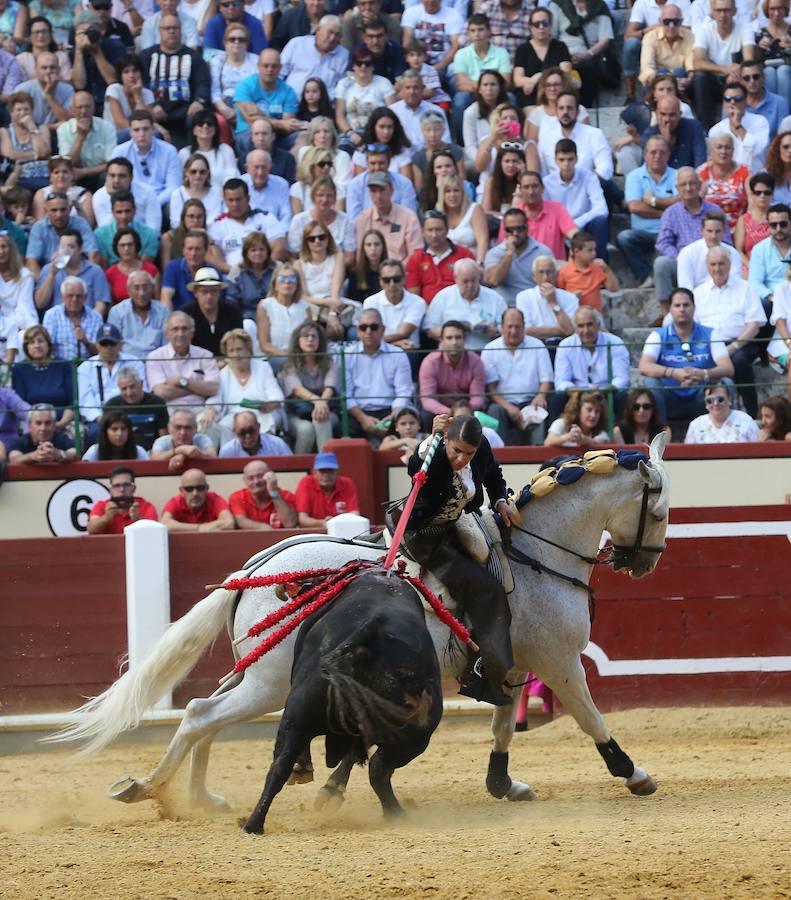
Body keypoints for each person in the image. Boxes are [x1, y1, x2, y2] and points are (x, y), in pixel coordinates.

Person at [400, 412, 517, 705]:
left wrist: (500, 501)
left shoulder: (481, 448)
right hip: (424, 537)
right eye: (457, 451)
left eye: (469, 454)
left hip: (454, 526)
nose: (462, 459)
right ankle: (479, 675)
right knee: (487, 590)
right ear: (446, 441)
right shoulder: (434, 452)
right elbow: (416, 468)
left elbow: (493, 476)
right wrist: (431, 438)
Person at [639, 287, 735, 422]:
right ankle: (660, 430)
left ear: (694, 308)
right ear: (670, 309)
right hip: (669, 398)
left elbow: (728, 368)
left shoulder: (710, 334)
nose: (682, 309)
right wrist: (673, 373)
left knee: (726, 383)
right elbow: (644, 366)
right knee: (650, 382)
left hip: (703, 397)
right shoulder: (658, 335)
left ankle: (725, 431)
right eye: (677, 305)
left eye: (686, 305)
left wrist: (703, 374)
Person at [693, 246, 767, 416]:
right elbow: (694, 326)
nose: (717, 268)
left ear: (729, 264)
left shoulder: (746, 288)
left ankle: (751, 415)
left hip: (741, 343)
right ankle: (702, 418)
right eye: (713, 264)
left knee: (740, 361)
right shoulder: (698, 293)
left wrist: (733, 347)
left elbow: (754, 325)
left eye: (721, 263)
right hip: (709, 346)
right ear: (707, 266)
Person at [654, 168, 731, 314]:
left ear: (700, 185)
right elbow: (663, 243)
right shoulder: (671, 213)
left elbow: (726, 241)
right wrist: (680, 258)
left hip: (713, 261)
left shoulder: (714, 210)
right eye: (683, 184)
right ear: (677, 188)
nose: (688, 188)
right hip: (680, 262)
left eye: (692, 183)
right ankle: (667, 314)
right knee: (661, 264)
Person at [481, 307, 553, 445]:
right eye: (509, 327)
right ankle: (499, 453)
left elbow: (546, 380)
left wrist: (541, 396)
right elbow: (491, 389)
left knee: (540, 407)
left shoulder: (537, 345)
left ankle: (538, 451)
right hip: (503, 403)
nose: (513, 331)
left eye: (517, 326)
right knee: (494, 410)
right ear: (501, 327)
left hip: (531, 400)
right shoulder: (490, 349)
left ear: (524, 327)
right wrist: (509, 407)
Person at [138, 16, 211, 150]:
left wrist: (198, 101)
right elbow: (140, 84)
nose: (171, 31)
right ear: (160, 31)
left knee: (199, 118)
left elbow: (203, 83)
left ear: (181, 30)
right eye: (167, 28)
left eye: (175, 28)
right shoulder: (146, 56)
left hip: (185, 114)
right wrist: (152, 105)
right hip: (155, 114)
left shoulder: (194, 56)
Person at [343, 308, 413, 440]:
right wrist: (362, 418)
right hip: (357, 412)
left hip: (391, 410)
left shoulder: (398, 354)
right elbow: (346, 394)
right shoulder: (346, 355)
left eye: (374, 327)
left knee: (406, 424)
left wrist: (394, 416)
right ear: (358, 331)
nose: (368, 331)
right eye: (363, 327)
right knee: (343, 428)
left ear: (383, 329)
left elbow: (404, 391)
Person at [618, 136, 679, 288]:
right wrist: (665, 212)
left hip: (670, 233)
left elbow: (682, 203)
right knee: (624, 237)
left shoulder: (677, 175)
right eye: (653, 152)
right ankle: (645, 277)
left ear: (668, 155)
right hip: (642, 233)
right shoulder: (635, 176)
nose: (657, 156)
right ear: (645, 154)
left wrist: (652, 201)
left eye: (662, 152)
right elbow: (635, 207)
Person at [203, 327, 284, 437]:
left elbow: (275, 392)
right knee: (222, 426)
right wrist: (210, 408)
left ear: (248, 350)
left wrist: (271, 404)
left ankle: (263, 447)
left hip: (261, 414)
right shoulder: (223, 374)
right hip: (234, 416)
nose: (236, 354)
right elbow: (216, 397)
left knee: (268, 419)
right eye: (231, 351)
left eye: (239, 349)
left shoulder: (263, 367)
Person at [552, 305, 630, 418]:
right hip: (576, 394)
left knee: (622, 397)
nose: (586, 330)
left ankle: (620, 430)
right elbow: (561, 382)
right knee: (556, 399)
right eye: (581, 326)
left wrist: (603, 390)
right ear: (575, 328)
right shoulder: (565, 345)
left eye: (590, 324)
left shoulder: (614, 342)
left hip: (606, 392)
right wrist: (578, 391)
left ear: (598, 325)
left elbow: (622, 379)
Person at [690, 0, 755, 131]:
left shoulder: (745, 28)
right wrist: (726, 70)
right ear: (712, 12)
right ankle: (705, 127)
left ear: (734, 12)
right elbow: (697, 62)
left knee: (749, 74)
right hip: (713, 80)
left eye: (726, 10)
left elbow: (749, 60)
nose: (722, 15)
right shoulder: (704, 30)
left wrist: (736, 74)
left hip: (736, 78)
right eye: (719, 10)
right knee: (699, 76)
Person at [77, 322, 145, 438]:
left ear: (120, 344)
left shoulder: (135, 363)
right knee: (94, 433)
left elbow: (142, 391)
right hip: (99, 419)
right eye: (104, 344)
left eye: (112, 343)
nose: (108, 347)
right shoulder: (85, 367)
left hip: (130, 415)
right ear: (97, 345)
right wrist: (100, 418)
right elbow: (85, 400)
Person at [279, 320, 339, 452]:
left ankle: (325, 462)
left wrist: (322, 404)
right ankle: (300, 465)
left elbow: (330, 387)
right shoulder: (289, 364)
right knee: (306, 430)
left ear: (320, 341)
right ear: (298, 340)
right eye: (305, 336)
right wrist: (317, 401)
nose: (310, 339)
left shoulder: (329, 362)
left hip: (327, 410)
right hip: (297, 414)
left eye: (314, 336)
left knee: (321, 419)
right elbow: (296, 389)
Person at [451, 15, 512, 142]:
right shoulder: (461, 54)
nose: (476, 34)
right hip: (472, 94)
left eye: (480, 30)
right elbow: (461, 84)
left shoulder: (501, 53)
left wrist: (478, 84)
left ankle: (511, 137)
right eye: (472, 31)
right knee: (460, 99)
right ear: (468, 33)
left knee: (511, 98)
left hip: (496, 93)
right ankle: (462, 142)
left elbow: (505, 83)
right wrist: (489, 84)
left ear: (489, 31)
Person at [425, 258, 507, 351]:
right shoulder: (443, 296)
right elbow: (430, 330)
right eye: (465, 281)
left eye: (473, 280)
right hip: (452, 353)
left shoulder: (495, 298)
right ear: (456, 278)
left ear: (479, 277)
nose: (470, 285)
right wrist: (451, 332)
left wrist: (495, 332)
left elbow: (507, 330)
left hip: (486, 352)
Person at [146, 311, 221, 411]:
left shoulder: (205, 355)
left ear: (192, 333)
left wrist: (181, 381)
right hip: (169, 412)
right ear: (167, 334)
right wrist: (199, 388)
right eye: (175, 329)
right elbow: (161, 393)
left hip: (199, 411)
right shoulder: (155, 357)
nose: (180, 334)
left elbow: (213, 388)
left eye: (184, 329)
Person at [209, 178, 288, 268]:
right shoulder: (217, 225)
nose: (235, 204)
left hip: (265, 272)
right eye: (230, 200)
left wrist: (262, 271)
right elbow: (215, 258)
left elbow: (279, 249)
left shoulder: (266, 218)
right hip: (230, 274)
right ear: (225, 201)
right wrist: (235, 273)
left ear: (248, 198)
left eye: (239, 199)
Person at [485, 207, 555, 308]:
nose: (515, 233)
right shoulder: (494, 253)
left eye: (519, 229)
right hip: (506, 307)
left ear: (527, 228)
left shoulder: (543, 252)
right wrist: (509, 254)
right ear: (504, 231)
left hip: (535, 305)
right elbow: (494, 280)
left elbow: (550, 283)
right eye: (510, 230)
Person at [24, 191, 99, 280]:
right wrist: (43, 283)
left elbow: (93, 254)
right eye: (54, 210)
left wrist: (90, 279)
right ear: (46, 210)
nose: (59, 215)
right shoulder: (39, 227)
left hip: (78, 275)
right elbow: (31, 261)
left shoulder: (80, 223)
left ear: (70, 209)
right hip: (49, 276)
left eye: (63, 210)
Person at [419, 320, 487, 417]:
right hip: (440, 411)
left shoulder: (476, 362)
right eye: (449, 338)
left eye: (458, 337)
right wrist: (450, 412)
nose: (454, 342)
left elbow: (478, 398)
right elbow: (427, 399)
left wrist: (464, 410)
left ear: (465, 339)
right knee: (425, 416)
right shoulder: (430, 362)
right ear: (441, 340)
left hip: (468, 411)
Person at [404, 210, 474, 304]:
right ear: (423, 232)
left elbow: (472, 287)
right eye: (430, 230)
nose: (434, 235)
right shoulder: (416, 258)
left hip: (460, 306)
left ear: (447, 230)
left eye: (438, 229)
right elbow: (413, 296)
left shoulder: (464, 254)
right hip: (427, 308)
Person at [115, 110, 182, 206]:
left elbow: (173, 187)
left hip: (161, 201)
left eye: (145, 129)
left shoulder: (170, 151)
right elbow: (116, 185)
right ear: (130, 132)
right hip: (130, 204)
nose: (141, 134)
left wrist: (153, 204)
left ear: (153, 129)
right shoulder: (119, 152)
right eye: (136, 130)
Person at [11, 325, 73, 430]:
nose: (37, 346)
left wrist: (60, 424)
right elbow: (19, 404)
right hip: (32, 425)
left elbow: (72, 403)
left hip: (63, 422)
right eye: (32, 342)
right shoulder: (19, 369)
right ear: (26, 347)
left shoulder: (64, 365)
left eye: (40, 341)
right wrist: (38, 427)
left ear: (48, 344)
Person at [509, 169, 579, 261]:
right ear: (520, 191)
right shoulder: (512, 216)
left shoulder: (557, 209)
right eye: (526, 187)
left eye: (535, 186)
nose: (531, 191)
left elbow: (574, 234)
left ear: (542, 188)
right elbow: (503, 247)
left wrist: (576, 248)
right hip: (522, 267)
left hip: (554, 267)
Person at [280, 15, 350, 101]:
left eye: (337, 35)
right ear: (318, 30)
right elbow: (279, 73)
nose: (332, 38)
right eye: (330, 32)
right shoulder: (297, 44)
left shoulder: (344, 55)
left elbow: (342, 87)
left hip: (324, 105)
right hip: (291, 101)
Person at [355, 172, 422, 260]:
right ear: (369, 193)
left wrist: (396, 268)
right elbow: (360, 255)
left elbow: (415, 254)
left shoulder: (409, 218)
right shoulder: (363, 219)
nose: (378, 196)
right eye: (373, 191)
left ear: (391, 190)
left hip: (402, 267)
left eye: (382, 190)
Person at [233, 48, 300, 137]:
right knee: (260, 133)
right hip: (249, 133)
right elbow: (252, 119)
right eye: (265, 66)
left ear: (280, 68)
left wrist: (261, 117)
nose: (270, 69)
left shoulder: (289, 92)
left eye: (274, 66)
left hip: (277, 136)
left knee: (301, 136)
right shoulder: (244, 86)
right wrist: (280, 123)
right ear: (258, 66)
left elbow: (288, 126)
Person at [512, 7, 570, 109]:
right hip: (530, 96)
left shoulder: (560, 47)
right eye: (536, 24)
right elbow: (517, 80)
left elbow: (564, 74)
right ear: (530, 27)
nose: (541, 27)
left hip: (555, 94)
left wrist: (536, 78)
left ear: (550, 25)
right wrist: (534, 81)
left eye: (545, 23)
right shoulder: (523, 49)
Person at [362, 257, 425, 351]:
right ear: (380, 281)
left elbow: (404, 334)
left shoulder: (417, 302)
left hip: (406, 350)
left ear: (404, 278)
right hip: (379, 349)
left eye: (396, 279)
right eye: (386, 280)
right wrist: (395, 344)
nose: (392, 284)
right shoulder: (370, 302)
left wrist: (380, 342)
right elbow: (368, 336)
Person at [515, 255, 577, 349]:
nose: (545, 277)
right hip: (535, 347)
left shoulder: (570, 297)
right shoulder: (524, 297)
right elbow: (526, 331)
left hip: (564, 346)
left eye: (549, 272)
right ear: (534, 276)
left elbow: (569, 330)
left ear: (556, 274)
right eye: (541, 272)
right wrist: (559, 331)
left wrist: (553, 302)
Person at [709, 81, 771, 173]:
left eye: (737, 99)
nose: (732, 102)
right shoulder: (715, 130)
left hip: (756, 175)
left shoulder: (760, 121)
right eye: (727, 99)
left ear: (746, 101)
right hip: (728, 178)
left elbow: (757, 151)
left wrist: (738, 126)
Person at [182, 266, 244, 357]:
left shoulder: (233, 313)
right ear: (195, 293)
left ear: (219, 292)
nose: (209, 296)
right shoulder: (186, 314)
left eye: (213, 291)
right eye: (204, 291)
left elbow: (238, 344)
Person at [103, 366, 169, 451]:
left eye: (132, 387)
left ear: (141, 384)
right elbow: (106, 437)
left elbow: (163, 437)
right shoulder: (112, 405)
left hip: (152, 452)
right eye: (124, 389)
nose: (129, 393)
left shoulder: (157, 402)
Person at [93, 157, 161, 235]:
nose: (116, 181)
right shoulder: (99, 196)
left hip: (144, 238)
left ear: (131, 177)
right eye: (112, 175)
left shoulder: (148, 193)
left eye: (122, 176)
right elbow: (105, 232)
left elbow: (154, 230)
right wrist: (114, 198)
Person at [0, 91, 51, 194]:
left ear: (32, 111)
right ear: (11, 113)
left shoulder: (42, 129)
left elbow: (44, 152)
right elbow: (10, 155)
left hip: (44, 175)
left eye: (26, 109)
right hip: (18, 177)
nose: (23, 113)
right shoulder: (4, 131)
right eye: (18, 110)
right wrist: (36, 156)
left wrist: (31, 127)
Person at [676, 210, 740, 292]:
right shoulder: (687, 253)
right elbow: (686, 288)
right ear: (702, 231)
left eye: (718, 231)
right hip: (697, 297)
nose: (713, 236)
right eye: (709, 231)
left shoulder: (733, 254)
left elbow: (736, 284)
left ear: (723, 232)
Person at [42, 276, 103, 360]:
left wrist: (86, 341)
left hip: (88, 364)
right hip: (59, 364)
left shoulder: (95, 317)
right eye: (70, 295)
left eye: (79, 296)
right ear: (62, 297)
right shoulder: (52, 315)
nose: (74, 299)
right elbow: (46, 348)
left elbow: (101, 352)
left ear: (85, 297)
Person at [637, 4, 694, 93]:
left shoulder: (689, 36)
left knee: (681, 72)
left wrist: (688, 80)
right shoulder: (650, 37)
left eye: (676, 22)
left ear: (681, 22)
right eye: (667, 22)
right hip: (657, 81)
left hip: (681, 80)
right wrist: (665, 81)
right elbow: (647, 68)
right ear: (660, 22)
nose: (671, 26)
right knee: (662, 72)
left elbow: (691, 67)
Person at [556, 229, 619, 311]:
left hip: (595, 314)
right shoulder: (564, 271)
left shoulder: (597, 267)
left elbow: (614, 289)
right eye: (590, 250)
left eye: (594, 249)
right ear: (576, 251)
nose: (594, 253)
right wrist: (571, 296)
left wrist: (607, 269)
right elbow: (560, 295)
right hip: (575, 313)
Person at [389, 69, 450, 152]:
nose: (412, 92)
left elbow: (445, 141)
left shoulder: (436, 111)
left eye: (415, 87)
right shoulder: (392, 112)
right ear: (401, 90)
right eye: (407, 88)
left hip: (430, 156)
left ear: (422, 89)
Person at [643, 95, 708, 172]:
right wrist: (665, 144)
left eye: (672, 115)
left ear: (680, 114)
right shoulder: (649, 134)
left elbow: (701, 162)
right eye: (663, 114)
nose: (667, 119)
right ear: (656, 114)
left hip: (690, 176)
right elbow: (647, 169)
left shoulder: (693, 127)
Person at [229, 459, 299, 530]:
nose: (256, 481)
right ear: (244, 480)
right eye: (250, 478)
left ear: (271, 476)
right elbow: (241, 521)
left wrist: (274, 492)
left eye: (260, 476)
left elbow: (290, 524)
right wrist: (264, 529)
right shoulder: (238, 497)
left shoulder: (286, 495)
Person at [295, 450, 360, 526]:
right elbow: (302, 519)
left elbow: (355, 515)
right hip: (315, 532)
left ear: (337, 472)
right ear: (314, 472)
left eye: (330, 471)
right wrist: (322, 523)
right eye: (322, 471)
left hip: (342, 529)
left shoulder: (347, 483)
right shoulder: (306, 483)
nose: (326, 475)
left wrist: (334, 522)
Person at [177, 110, 240, 189]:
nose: (205, 126)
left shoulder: (225, 150)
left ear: (215, 129)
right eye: (200, 124)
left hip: (222, 194)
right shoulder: (184, 153)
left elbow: (232, 177)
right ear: (193, 130)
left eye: (210, 124)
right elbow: (181, 181)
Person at [86, 465, 158, 534]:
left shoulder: (146, 506)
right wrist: (106, 517)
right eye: (117, 485)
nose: (122, 489)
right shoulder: (102, 506)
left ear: (133, 488)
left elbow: (155, 532)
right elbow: (91, 529)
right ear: (111, 490)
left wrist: (138, 520)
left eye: (126, 485)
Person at [461, 69, 510, 171]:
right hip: (482, 158)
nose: (489, 88)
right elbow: (470, 147)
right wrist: (483, 159)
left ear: (500, 88)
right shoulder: (470, 113)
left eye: (493, 84)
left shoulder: (508, 111)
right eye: (485, 85)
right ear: (479, 89)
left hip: (506, 157)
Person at [161, 467, 236, 531]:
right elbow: (164, 524)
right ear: (181, 491)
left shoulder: (214, 499)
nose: (195, 493)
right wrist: (199, 527)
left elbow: (229, 523)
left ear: (207, 489)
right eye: (189, 489)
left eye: (200, 488)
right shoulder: (176, 502)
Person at [748, 203, 791, 311]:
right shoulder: (759, 249)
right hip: (771, 299)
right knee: (760, 304)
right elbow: (754, 282)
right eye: (773, 225)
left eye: (783, 224)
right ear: (768, 226)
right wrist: (771, 297)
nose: (778, 229)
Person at [16, 52, 73, 132]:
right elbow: (19, 122)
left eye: (52, 67)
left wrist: (49, 96)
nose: (48, 71)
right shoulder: (22, 89)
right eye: (44, 68)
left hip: (59, 134)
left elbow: (67, 120)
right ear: (35, 69)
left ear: (59, 69)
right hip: (30, 133)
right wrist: (49, 127)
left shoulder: (68, 89)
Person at [684, 381, 760, 442]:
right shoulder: (696, 425)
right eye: (710, 401)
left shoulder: (746, 420)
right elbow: (688, 454)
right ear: (705, 403)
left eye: (720, 399)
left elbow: (757, 448)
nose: (715, 404)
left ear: (729, 399)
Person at [104, 228, 160, 307]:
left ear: (136, 246)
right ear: (116, 248)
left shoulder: (151, 270)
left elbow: (157, 301)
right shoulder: (110, 274)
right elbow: (110, 305)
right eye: (122, 245)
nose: (126, 249)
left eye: (130, 244)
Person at [8, 402, 77, 463]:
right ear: (29, 425)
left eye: (47, 423)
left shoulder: (61, 439)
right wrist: (33, 456)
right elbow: (13, 458)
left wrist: (59, 454)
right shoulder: (20, 441)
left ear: (54, 424)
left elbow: (75, 452)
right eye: (38, 423)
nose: (43, 428)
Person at [150, 408, 217, 470]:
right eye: (178, 427)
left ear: (195, 429)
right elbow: (154, 458)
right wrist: (178, 451)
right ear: (169, 428)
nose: (183, 433)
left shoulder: (202, 439)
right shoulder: (162, 441)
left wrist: (184, 455)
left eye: (187, 427)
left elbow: (213, 455)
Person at [241, 149, 291, 230]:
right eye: (256, 167)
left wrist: (279, 233)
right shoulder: (239, 184)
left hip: (275, 232)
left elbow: (286, 217)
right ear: (247, 168)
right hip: (245, 232)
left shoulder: (281, 184)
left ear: (270, 167)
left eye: (264, 167)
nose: (260, 172)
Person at [733, 172, 774, 270]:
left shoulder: (780, 217)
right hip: (750, 267)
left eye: (767, 193)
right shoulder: (744, 220)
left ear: (772, 194)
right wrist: (752, 267)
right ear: (751, 194)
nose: (762, 196)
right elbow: (738, 250)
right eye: (758, 193)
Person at [755, 1, 791, 108]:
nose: (776, 13)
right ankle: (771, 111)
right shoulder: (759, 33)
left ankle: (784, 112)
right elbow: (753, 61)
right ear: (767, 10)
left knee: (783, 70)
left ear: (785, 9)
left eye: (780, 8)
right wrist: (758, 47)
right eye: (772, 9)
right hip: (767, 72)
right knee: (768, 72)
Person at [544, 388, 610, 447]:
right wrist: (568, 437)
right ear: (578, 410)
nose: (593, 415)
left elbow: (597, 442)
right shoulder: (560, 423)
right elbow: (548, 442)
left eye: (597, 411)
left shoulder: (601, 432)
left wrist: (582, 439)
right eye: (589, 410)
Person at [218, 409, 292, 457]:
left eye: (251, 430)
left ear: (259, 427)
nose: (248, 436)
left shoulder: (277, 444)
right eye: (242, 432)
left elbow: (290, 469)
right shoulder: (227, 451)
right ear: (234, 432)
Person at [82, 409, 150, 460]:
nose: (119, 434)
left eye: (123, 429)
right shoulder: (94, 451)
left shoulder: (139, 451)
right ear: (105, 431)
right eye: (114, 429)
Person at [346, 228, 385, 303]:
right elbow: (352, 301)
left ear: (383, 246)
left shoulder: (390, 271)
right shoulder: (354, 274)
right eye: (368, 245)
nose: (373, 249)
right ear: (363, 248)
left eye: (377, 244)